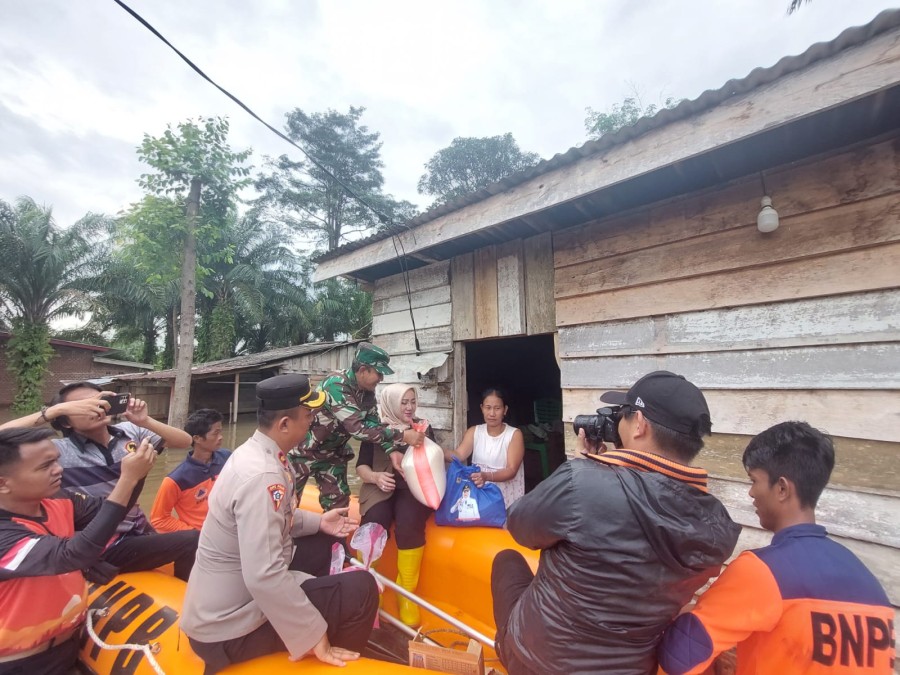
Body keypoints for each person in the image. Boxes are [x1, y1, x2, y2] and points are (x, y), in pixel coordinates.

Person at [491, 370, 741, 675]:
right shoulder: (717, 526)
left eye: (623, 414)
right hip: (631, 668)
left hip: (537, 661)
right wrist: (605, 468)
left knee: (506, 560)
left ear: (639, 424)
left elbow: (520, 526)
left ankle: (506, 649)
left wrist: (588, 468)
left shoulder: (581, 482)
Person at [657, 421, 895, 674]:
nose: (750, 493)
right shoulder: (868, 583)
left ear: (781, 488)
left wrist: (682, 615)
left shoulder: (762, 572)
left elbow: (678, 659)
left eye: (754, 480)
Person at [181, 374, 379, 675]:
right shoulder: (263, 475)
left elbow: (271, 518)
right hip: (228, 627)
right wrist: (313, 634)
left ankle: (324, 622)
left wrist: (319, 522)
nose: (313, 421)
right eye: (308, 414)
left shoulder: (258, 452)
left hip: (236, 597)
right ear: (284, 423)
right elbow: (264, 575)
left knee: (325, 542)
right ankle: (336, 660)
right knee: (362, 588)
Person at [0, 382, 198, 581]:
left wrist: (145, 421)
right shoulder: (57, 452)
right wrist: (55, 411)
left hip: (134, 526)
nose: (96, 408)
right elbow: (5, 442)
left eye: (100, 401)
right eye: (83, 405)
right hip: (98, 539)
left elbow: (185, 442)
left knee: (190, 541)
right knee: (192, 540)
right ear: (66, 421)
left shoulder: (130, 431)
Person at [0, 427, 157, 675]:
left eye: (56, 460)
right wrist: (127, 478)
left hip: (69, 646)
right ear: (2, 484)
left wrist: (138, 474)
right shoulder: (4, 535)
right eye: (45, 466)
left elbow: (112, 510)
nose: (59, 469)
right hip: (22, 664)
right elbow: (74, 554)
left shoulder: (57, 500)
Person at [289, 342, 424, 511]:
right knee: (288, 505)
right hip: (304, 452)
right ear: (362, 371)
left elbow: (373, 422)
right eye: (378, 373)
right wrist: (403, 436)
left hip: (332, 455)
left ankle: (334, 538)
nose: (381, 378)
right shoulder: (336, 385)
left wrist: (391, 450)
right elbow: (358, 429)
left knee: (339, 506)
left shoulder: (366, 391)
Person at [356, 383, 434, 627]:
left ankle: (405, 595)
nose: (409, 407)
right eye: (404, 402)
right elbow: (361, 467)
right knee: (374, 521)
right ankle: (369, 587)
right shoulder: (375, 430)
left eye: (412, 401)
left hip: (412, 488)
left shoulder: (422, 428)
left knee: (409, 524)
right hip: (379, 487)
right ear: (391, 403)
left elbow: (432, 461)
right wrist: (376, 477)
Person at [150, 409, 230, 532]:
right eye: (215, 433)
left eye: (221, 432)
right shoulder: (176, 479)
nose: (220, 437)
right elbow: (159, 519)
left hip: (231, 531)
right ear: (197, 438)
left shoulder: (228, 457)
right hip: (202, 541)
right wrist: (193, 534)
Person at [449, 387, 525, 508]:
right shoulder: (474, 431)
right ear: (482, 408)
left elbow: (511, 470)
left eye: (497, 408)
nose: (492, 413)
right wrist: (433, 450)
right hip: (480, 496)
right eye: (488, 407)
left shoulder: (514, 435)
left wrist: (486, 476)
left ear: (505, 410)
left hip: (505, 499)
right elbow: (459, 455)